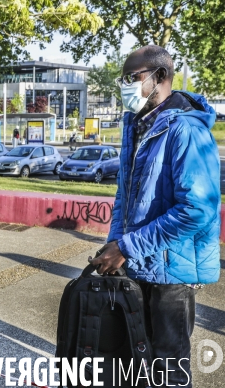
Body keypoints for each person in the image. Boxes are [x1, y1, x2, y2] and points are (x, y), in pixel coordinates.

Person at [90, 45, 220, 388]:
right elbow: (125, 195)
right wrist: (115, 245)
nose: (124, 86)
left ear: (160, 77)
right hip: (138, 264)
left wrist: (127, 246)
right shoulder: (135, 123)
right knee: (132, 365)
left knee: (167, 371)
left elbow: (197, 209)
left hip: (171, 276)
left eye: (132, 78)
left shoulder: (185, 129)